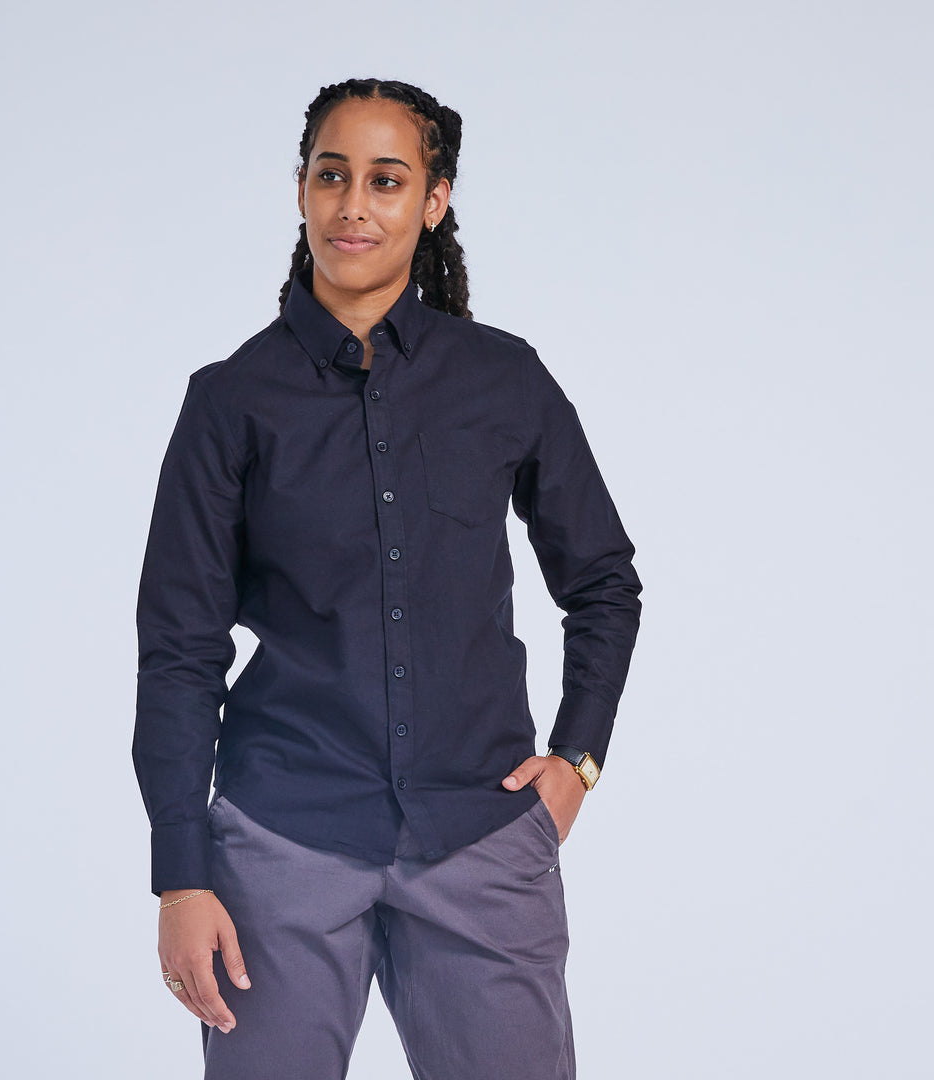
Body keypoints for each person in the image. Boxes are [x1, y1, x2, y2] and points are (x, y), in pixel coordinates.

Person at [132, 76, 642, 1080]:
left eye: (387, 180)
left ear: (434, 201)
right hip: (283, 845)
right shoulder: (231, 402)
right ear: (301, 190)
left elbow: (602, 583)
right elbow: (180, 652)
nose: (354, 206)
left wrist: (576, 761)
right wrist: (181, 876)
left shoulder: (504, 379)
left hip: (482, 839)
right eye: (332, 176)